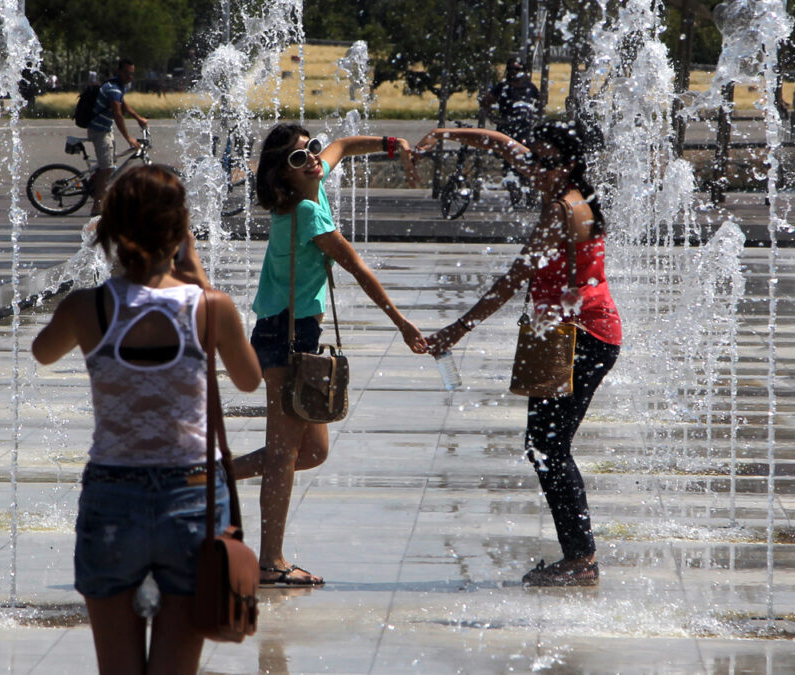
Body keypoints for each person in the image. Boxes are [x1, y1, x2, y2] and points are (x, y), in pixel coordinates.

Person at [31, 165, 262, 674]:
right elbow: (249, 380)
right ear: (181, 232)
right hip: (193, 497)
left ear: (110, 229)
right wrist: (197, 274)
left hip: (113, 494)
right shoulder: (211, 307)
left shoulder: (86, 307)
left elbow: (42, 352)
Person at [413, 118, 621, 587]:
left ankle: (581, 559)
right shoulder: (573, 192)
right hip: (581, 332)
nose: (535, 169)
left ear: (567, 165)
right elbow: (506, 147)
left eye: (546, 163)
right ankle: (578, 557)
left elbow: (515, 277)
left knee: (548, 446)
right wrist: (449, 133)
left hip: (579, 337)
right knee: (545, 445)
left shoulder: (561, 209)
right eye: (537, 159)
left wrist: (457, 329)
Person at [232, 124, 427, 586]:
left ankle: (201, 478)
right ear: (284, 176)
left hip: (298, 334)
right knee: (283, 454)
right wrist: (402, 323)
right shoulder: (306, 212)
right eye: (299, 159)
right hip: (285, 336)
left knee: (312, 451)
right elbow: (357, 267)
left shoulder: (311, 183)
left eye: (311, 150)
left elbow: (341, 146)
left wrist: (388, 145)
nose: (314, 159)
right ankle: (271, 563)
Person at [88, 58, 149, 216]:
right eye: (127, 73)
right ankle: (96, 206)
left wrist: (138, 117)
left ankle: (98, 183)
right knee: (107, 168)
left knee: (110, 164)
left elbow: (122, 103)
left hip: (106, 129)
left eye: (132, 74)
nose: (130, 77)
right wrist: (129, 139)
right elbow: (118, 114)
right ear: (119, 72)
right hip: (99, 131)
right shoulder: (113, 88)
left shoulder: (118, 86)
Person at [481, 58, 543, 198]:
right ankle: (514, 191)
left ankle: (529, 193)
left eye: (517, 69)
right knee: (509, 162)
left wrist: (534, 119)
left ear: (523, 71)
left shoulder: (530, 87)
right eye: (511, 69)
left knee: (528, 160)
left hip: (525, 131)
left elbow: (539, 105)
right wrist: (494, 118)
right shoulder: (502, 87)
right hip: (507, 131)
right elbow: (486, 101)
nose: (513, 72)